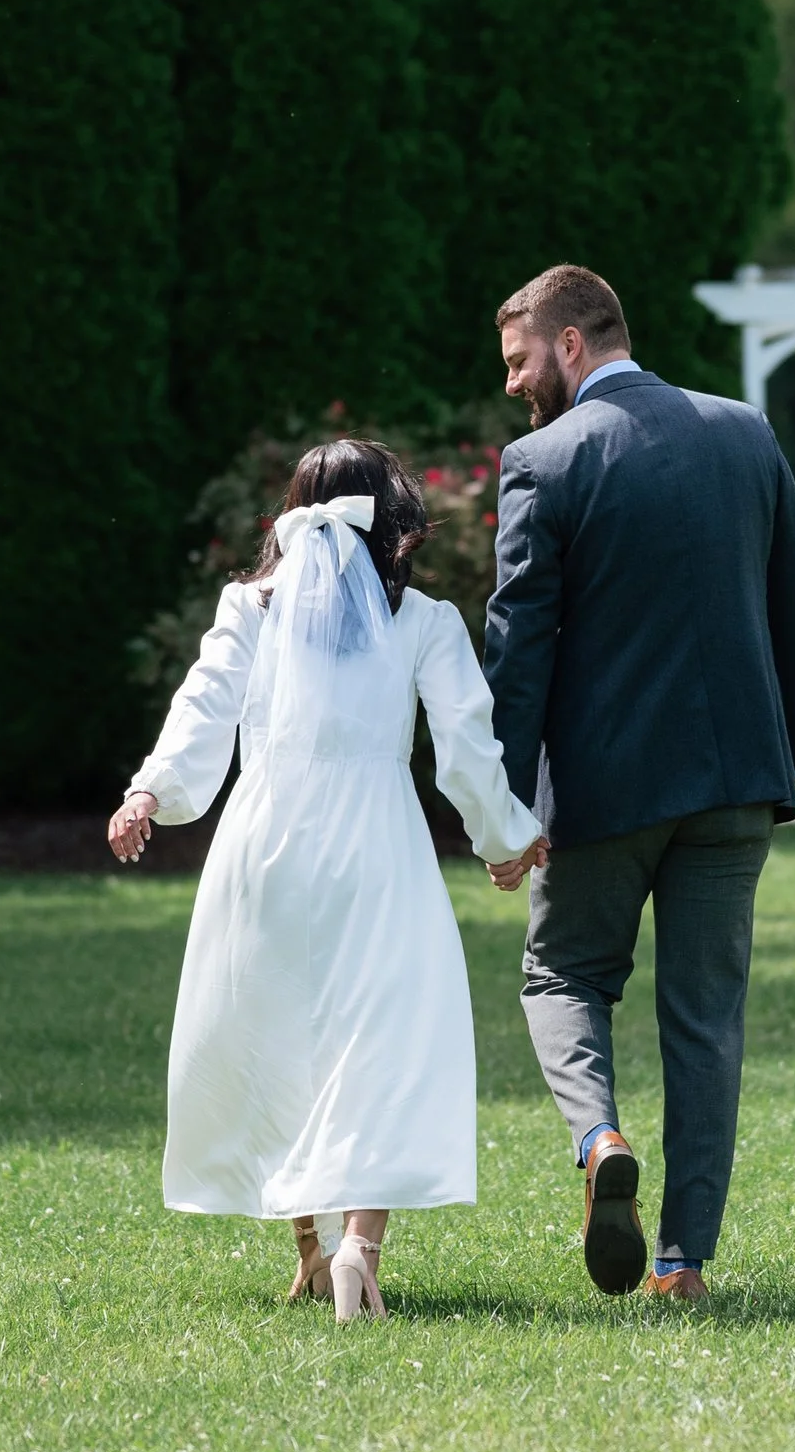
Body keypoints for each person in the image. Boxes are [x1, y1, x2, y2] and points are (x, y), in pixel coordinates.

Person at [108, 436, 547, 1322]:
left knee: (277, 1030)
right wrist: (508, 833)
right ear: (392, 523)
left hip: (264, 839)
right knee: (379, 1039)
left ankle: (309, 1249)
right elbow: (467, 745)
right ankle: (357, 1248)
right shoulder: (424, 621)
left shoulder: (248, 608)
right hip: (376, 841)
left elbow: (203, 704)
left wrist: (150, 787)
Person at [481, 264, 795, 1309]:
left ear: (573, 343)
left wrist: (502, 809)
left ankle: (599, 1136)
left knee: (561, 977)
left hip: (604, 790)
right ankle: (682, 1261)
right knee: (706, 1016)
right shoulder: (743, 432)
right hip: (735, 783)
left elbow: (518, 646)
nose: (511, 384)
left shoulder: (542, 460)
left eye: (518, 360)